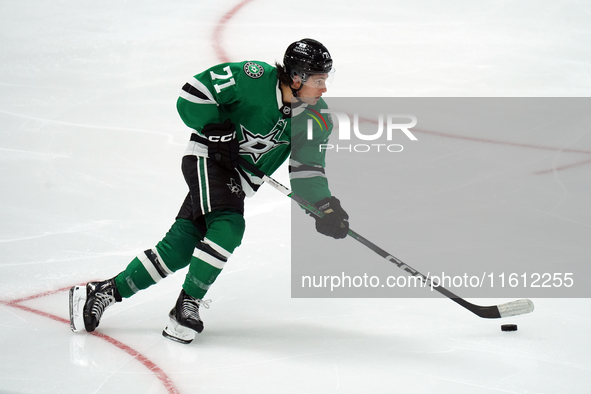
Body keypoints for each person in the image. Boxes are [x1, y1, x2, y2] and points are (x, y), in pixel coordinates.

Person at [69, 38, 350, 344]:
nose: (324, 89)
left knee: (179, 247)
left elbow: (307, 170)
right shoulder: (253, 77)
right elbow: (193, 94)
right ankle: (186, 305)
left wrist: (324, 207)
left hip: (237, 180)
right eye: (319, 80)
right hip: (208, 159)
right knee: (229, 225)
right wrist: (214, 128)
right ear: (296, 77)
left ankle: (102, 292)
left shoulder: (315, 117)